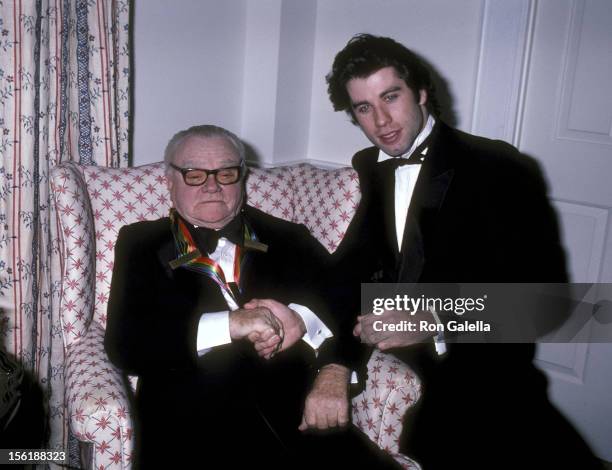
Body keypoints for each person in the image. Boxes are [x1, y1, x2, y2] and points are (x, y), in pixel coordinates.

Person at [326, 34, 601, 468]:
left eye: (391, 96)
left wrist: (434, 318)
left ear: (420, 92)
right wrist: (334, 365)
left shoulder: (499, 168)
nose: (381, 120)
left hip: (478, 365)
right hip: (404, 363)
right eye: (363, 108)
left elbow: (548, 300)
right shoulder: (370, 167)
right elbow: (350, 272)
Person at [104, 124, 399, 469]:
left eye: (226, 173)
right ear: (170, 180)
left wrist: (329, 366)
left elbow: (353, 302)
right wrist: (231, 324)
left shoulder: (289, 237)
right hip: (191, 429)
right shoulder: (140, 243)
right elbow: (126, 344)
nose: (213, 186)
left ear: (242, 176)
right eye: (195, 174)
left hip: (298, 421)